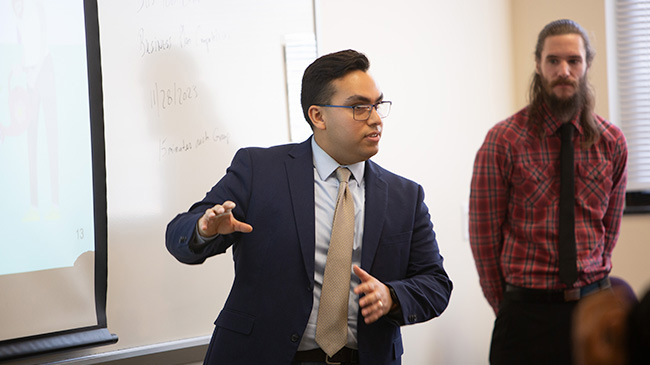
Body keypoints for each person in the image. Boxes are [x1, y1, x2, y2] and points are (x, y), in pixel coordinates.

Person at [166, 49, 452, 365]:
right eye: (359, 107)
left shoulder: (405, 196)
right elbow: (179, 236)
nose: (374, 119)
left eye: (377, 105)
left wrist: (392, 296)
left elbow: (435, 283)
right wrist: (204, 230)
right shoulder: (259, 170)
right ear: (318, 116)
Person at [469, 19, 628, 365]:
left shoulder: (612, 142)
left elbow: (609, 230)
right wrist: (509, 304)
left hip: (594, 306)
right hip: (526, 315)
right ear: (538, 65)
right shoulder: (504, 140)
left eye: (574, 61)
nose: (564, 71)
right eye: (553, 61)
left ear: (587, 64)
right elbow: (484, 239)